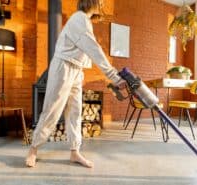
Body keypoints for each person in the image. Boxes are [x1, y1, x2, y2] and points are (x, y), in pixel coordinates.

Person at [26, 0, 126, 168]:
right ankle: (33, 149)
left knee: (75, 111)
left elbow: (88, 49)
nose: (101, 3)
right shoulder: (79, 18)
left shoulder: (85, 20)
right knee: (52, 109)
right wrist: (113, 76)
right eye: (99, 1)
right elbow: (93, 49)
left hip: (77, 70)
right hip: (63, 66)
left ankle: (74, 151)